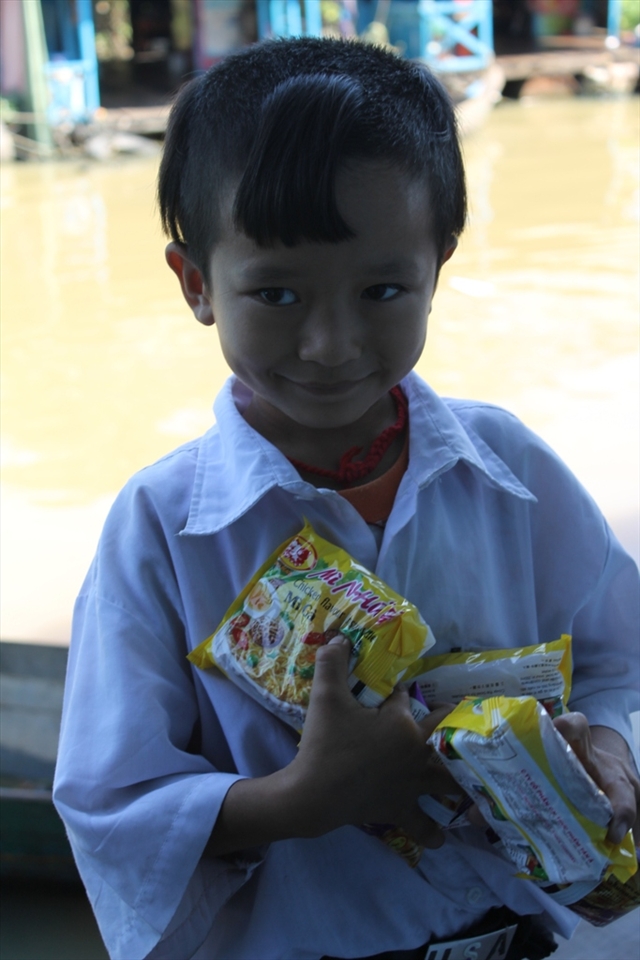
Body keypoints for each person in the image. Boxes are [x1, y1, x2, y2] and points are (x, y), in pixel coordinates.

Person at [53, 37, 639, 960]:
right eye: (278, 292)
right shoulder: (163, 529)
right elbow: (110, 803)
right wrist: (303, 802)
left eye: (381, 290)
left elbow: (620, 656)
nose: (331, 344)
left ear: (438, 266)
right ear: (197, 283)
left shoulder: (510, 469)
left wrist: (608, 744)